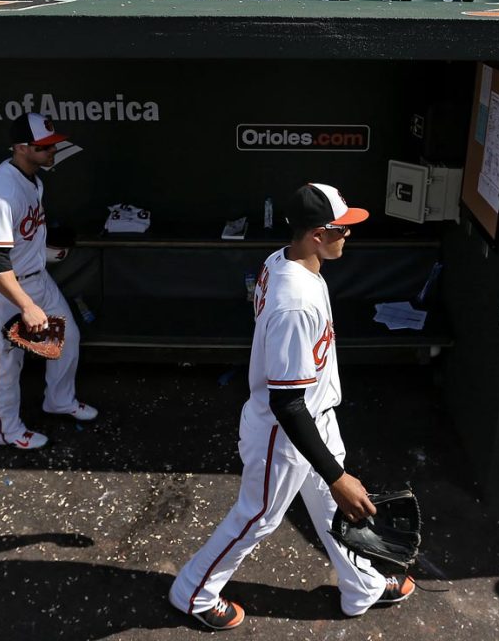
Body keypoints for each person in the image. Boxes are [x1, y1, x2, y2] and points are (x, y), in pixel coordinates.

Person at [168, 183, 414, 631]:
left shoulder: (283, 259)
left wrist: (331, 478)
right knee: (258, 518)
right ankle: (192, 592)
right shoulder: (294, 302)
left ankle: (362, 585)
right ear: (317, 234)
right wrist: (336, 475)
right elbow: (287, 402)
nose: (349, 235)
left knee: (335, 509)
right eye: (342, 228)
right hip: (283, 432)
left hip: (313, 416)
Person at [0, 113, 96, 452]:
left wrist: (46, 252)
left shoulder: (31, 178)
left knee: (68, 337)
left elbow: (20, 237)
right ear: (21, 148)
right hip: (0, 287)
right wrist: (26, 306)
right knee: (6, 361)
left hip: (34, 277)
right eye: (44, 147)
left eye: (53, 144)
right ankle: (6, 429)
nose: (52, 151)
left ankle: (58, 400)